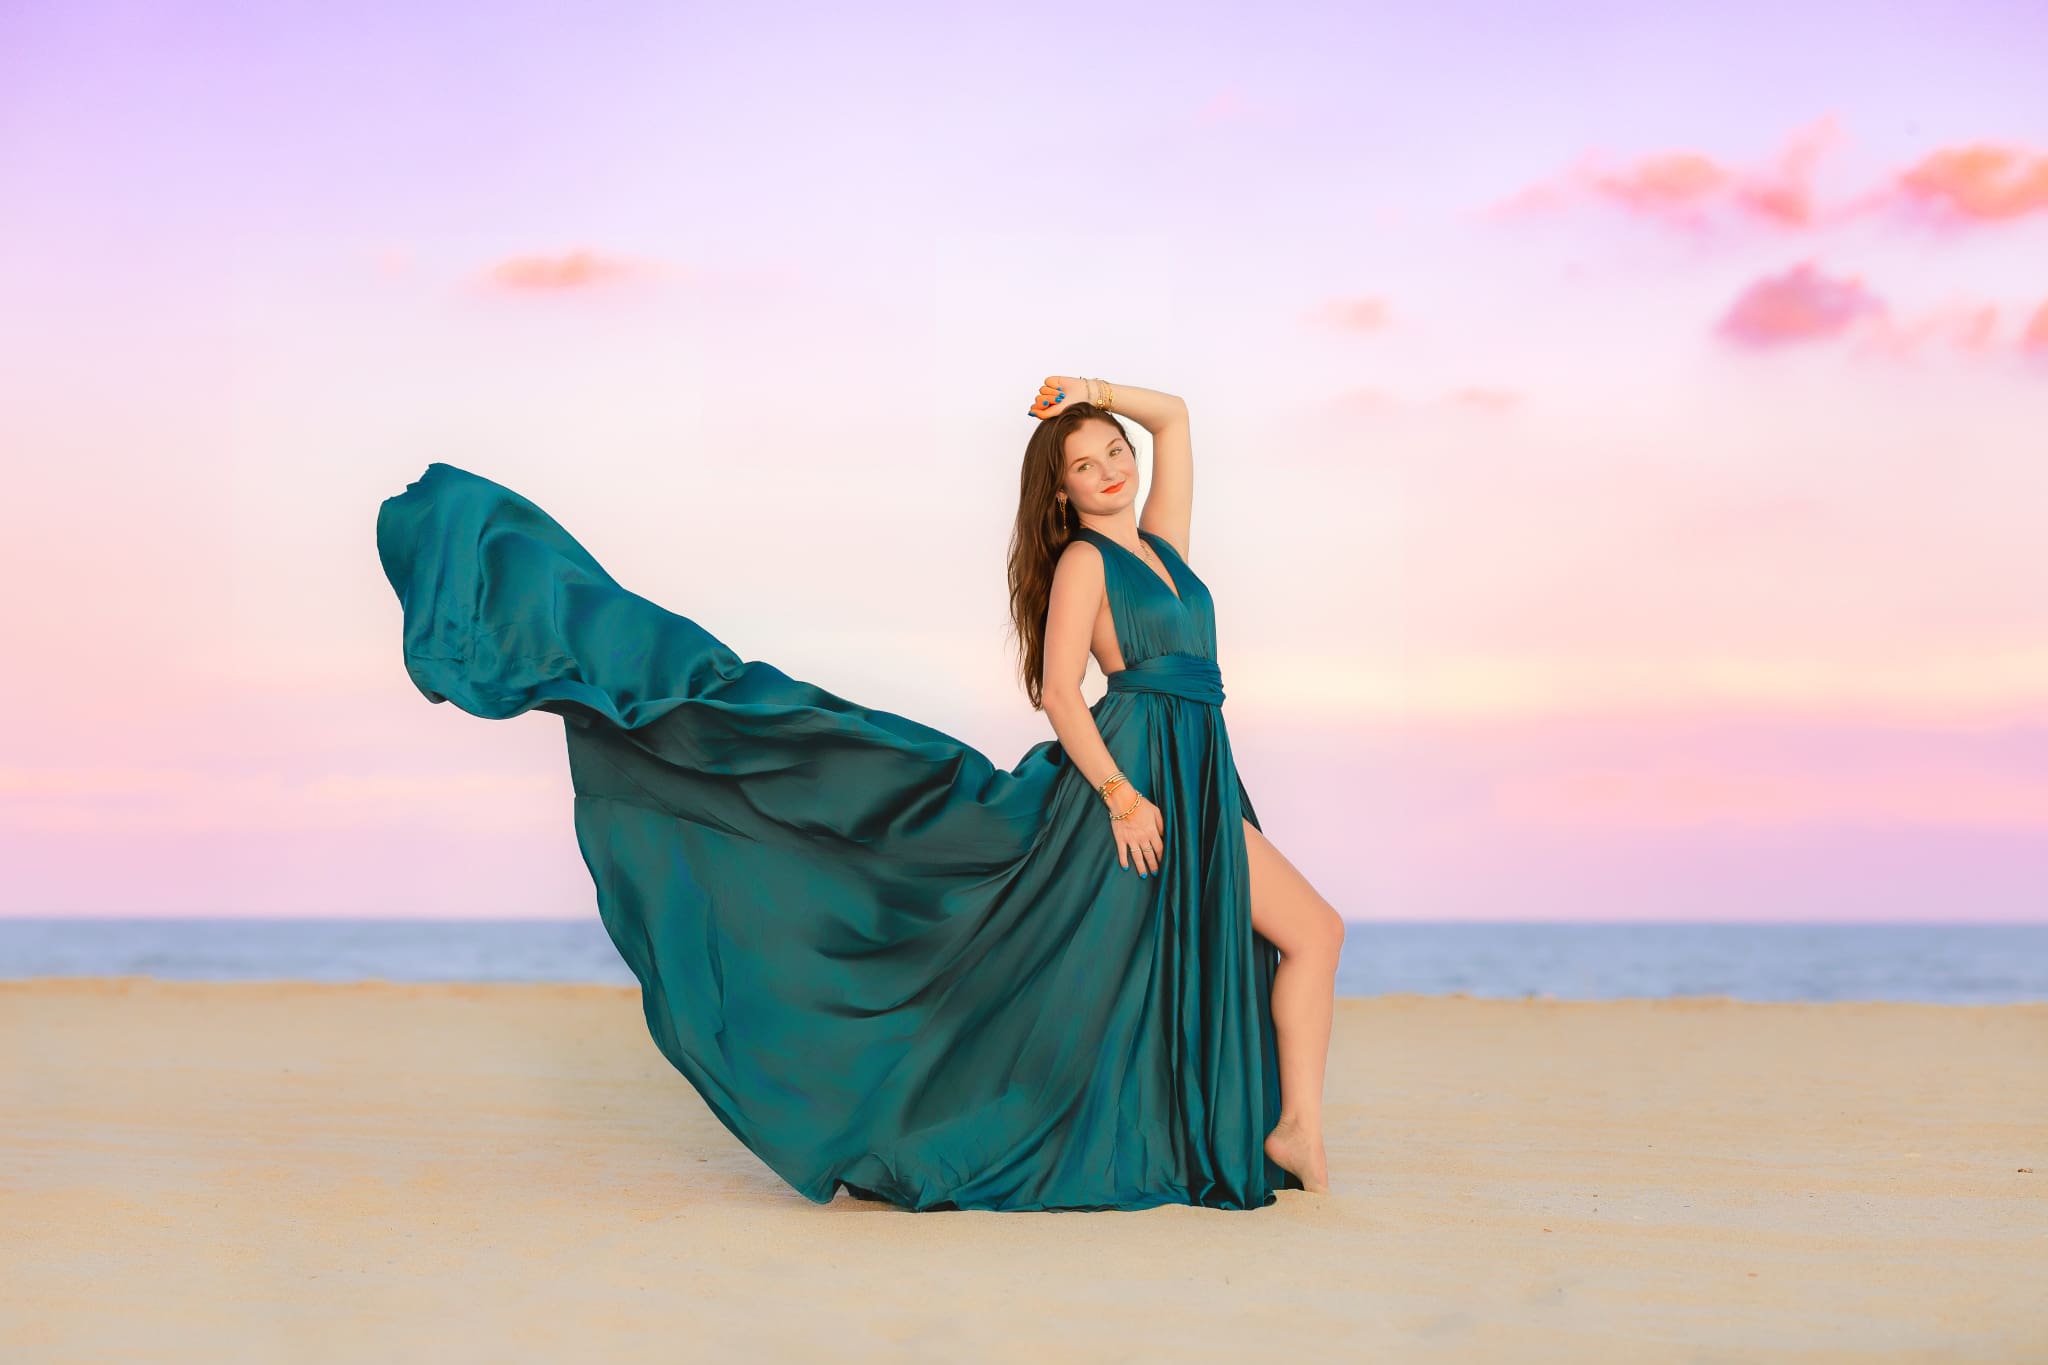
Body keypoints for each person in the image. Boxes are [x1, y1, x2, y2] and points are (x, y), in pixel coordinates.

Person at [374, 374, 1343, 1212]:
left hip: (1198, 770)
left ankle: (1290, 1126)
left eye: (1111, 452)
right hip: (1138, 781)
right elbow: (1057, 691)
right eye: (1085, 465)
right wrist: (1121, 798)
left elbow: (1171, 416)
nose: (1110, 469)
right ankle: (1283, 1129)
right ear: (1060, 494)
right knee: (1266, 939)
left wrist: (1089, 389)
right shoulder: (1084, 564)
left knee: (1295, 936)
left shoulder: (1164, 549)